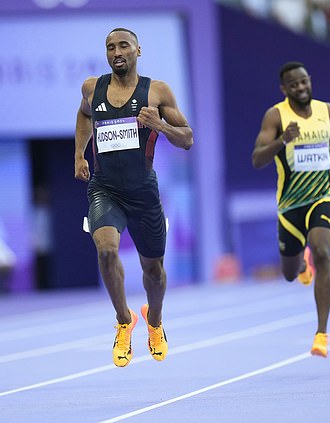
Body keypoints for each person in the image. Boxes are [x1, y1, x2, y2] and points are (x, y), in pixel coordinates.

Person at [74, 28, 193, 367]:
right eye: (110, 47)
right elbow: (84, 114)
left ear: (138, 50)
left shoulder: (157, 91)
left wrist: (161, 126)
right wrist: (79, 155)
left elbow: (187, 139)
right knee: (107, 252)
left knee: (153, 272)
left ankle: (154, 322)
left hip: (143, 193)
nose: (116, 51)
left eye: (123, 45)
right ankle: (124, 321)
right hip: (104, 189)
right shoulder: (91, 88)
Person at [251, 61, 330, 358]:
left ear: (309, 81)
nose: (300, 88)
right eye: (294, 84)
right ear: (284, 89)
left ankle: (322, 333)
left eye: (304, 82)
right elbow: (257, 159)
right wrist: (281, 140)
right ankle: (301, 263)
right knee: (290, 274)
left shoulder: (327, 110)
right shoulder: (275, 115)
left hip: (322, 196)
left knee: (323, 251)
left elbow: (329, 147)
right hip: (290, 206)